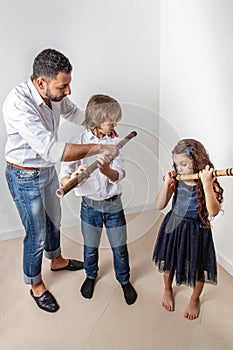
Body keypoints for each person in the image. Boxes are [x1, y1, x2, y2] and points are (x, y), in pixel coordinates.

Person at [3, 48, 118, 313]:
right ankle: (35, 285)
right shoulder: (18, 104)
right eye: (63, 86)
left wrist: (103, 125)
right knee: (37, 233)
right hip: (23, 174)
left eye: (69, 84)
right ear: (41, 82)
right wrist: (98, 148)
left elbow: (77, 114)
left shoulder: (53, 95)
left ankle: (56, 260)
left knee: (54, 220)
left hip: (45, 170)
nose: (68, 91)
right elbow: (53, 150)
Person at [60, 94, 138, 305]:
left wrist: (106, 170)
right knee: (90, 247)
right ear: (95, 120)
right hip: (89, 207)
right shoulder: (78, 143)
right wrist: (73, 178)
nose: (115, 124)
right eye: (110, 120)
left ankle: (124, 280)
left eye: (115, 120)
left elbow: (120, 175)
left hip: (113, 205)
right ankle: (91, 275)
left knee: (120, 249)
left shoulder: (114, 142)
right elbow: (64, 174)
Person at [153, 139, 223, 320]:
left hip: (196, 231)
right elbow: (159, 205)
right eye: (177, 165)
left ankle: (194, 298)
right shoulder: (177, 181)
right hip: (174, 227)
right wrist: (166, 182)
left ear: (197, 161)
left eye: (184, 164)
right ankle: (168, 289)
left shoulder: (209, 182)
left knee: (198, 268)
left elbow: (213, 211)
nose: (180, 169)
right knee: (170, 263)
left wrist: (207, 183)